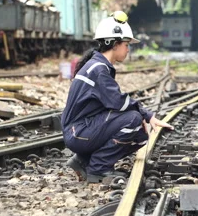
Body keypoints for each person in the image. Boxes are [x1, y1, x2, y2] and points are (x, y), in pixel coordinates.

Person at [61, 11, 174, 183]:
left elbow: (112, 104)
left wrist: (145, 116)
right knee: (133, 120)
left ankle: (83, 161)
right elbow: (118, 101)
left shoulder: (97, 66)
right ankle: (98, 169)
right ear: (114, 44)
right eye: (126, 44)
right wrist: (148, 116)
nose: (128, 49)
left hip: (79, 130)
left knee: (139, 133)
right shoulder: (98, 70)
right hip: (78, 133)